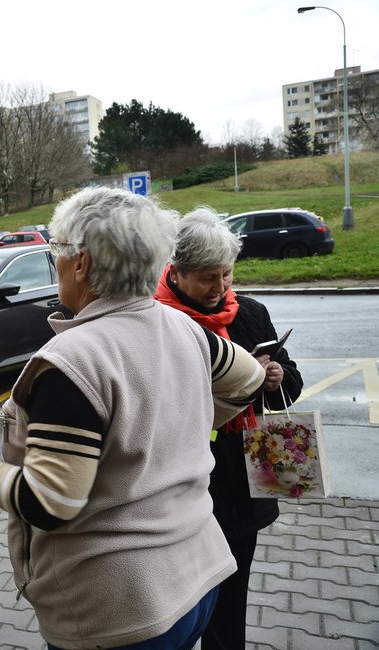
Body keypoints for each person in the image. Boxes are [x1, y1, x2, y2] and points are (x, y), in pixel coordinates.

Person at [0, 187, 267, 649]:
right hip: (198, 578)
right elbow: (247, 381)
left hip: (119, 612)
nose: (56, 263)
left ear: (81, 262)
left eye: (57, 252)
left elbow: (48, 502)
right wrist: (178, 422)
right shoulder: (187, 329)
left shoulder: (72, 362)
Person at [154, 207, 303, 649]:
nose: (220, 288)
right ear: (176, 273)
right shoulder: (155, 320)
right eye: (207, 278)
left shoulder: (250, 314)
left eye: (226, 274)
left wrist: (274, 376)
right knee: (178, 611)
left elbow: (290, 386)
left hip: (238, 485)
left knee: (230, 609)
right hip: (177, 487)